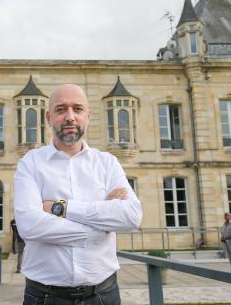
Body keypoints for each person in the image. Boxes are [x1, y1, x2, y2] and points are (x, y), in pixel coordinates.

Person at [14, 84, 142, 305]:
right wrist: (100, 227)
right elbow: (29, 225)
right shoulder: (31, 162)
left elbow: (131, 216)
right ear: (48, 117)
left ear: (88, 115)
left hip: (103, 295)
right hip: (44, 297)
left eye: (78, 109)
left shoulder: (107, 163)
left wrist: (60, 208)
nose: (70, 117)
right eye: (61, 109)